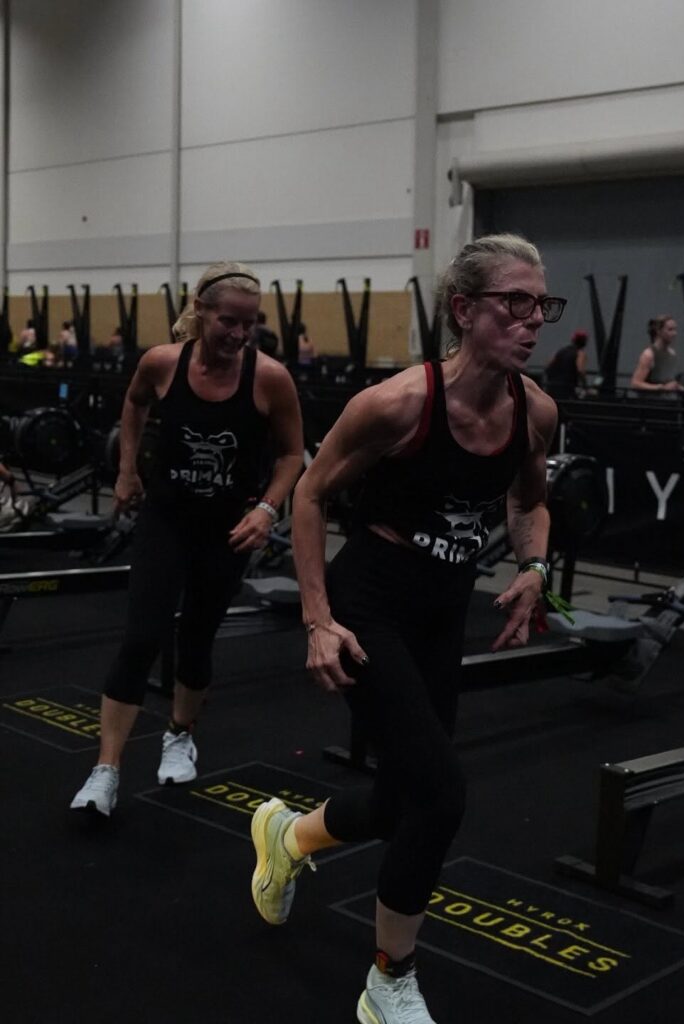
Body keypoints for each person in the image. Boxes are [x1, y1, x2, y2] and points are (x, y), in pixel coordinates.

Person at [248, 234, 562, 1023]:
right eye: (515, 303)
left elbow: (529, 502)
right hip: (370, 603)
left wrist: (534, 567)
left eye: (541, 305)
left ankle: (288, 837)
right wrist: (318, 620)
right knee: (441, 795)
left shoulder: (536, 411)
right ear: (464, 309)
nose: (533, 320)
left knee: (401, 800)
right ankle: (388, 980)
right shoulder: (396, 405)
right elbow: (310, 495)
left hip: (442, 608)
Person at [70, 261, 304, 817]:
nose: (240, 334)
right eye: (229, 321)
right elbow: (134, 404)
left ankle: (180, 733)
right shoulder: (161, 363)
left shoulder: (269, 378)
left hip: (226, 530)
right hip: (166, 520)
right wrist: (127, 469)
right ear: (201, 311)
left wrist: (268, 509)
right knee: (141, 637)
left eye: (250, 324)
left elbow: (293, 454)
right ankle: (106, 770)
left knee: (197, 638)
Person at [630, 314, 684, 392]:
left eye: (675, 329)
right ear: (659, 331)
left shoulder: (672, 353)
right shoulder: (649, 354)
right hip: (651, 398)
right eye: (670, 330)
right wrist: (661, 388)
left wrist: (676, 386)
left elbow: (667, 379)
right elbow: (635, 383)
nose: (674, 333)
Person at [544, 328, 588, 399]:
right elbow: (580, 369)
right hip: (567, 389)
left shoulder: (561, 351)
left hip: (552, 387)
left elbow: (548, 366)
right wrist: (585, 385)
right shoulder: (580, 353)